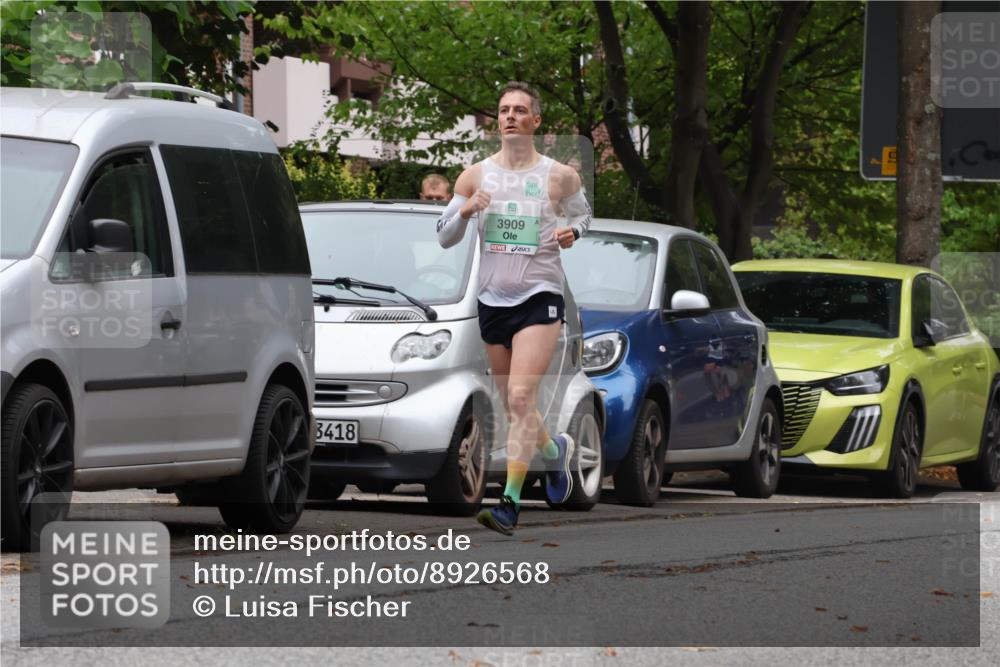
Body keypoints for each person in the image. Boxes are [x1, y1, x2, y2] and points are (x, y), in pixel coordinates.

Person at [436, 81, 592, 536]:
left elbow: (583, 216)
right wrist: (466, 213)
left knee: (522, 398)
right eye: (503, 110)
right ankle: (554, 453)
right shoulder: (475, 175)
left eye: (520, 110)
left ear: (535, 122)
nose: (509, 116)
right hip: (492, 300)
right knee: (514, 404)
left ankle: (509, 502)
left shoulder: (559, 176)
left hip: (540, 296)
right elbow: (443, 235)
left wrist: (572, 234)